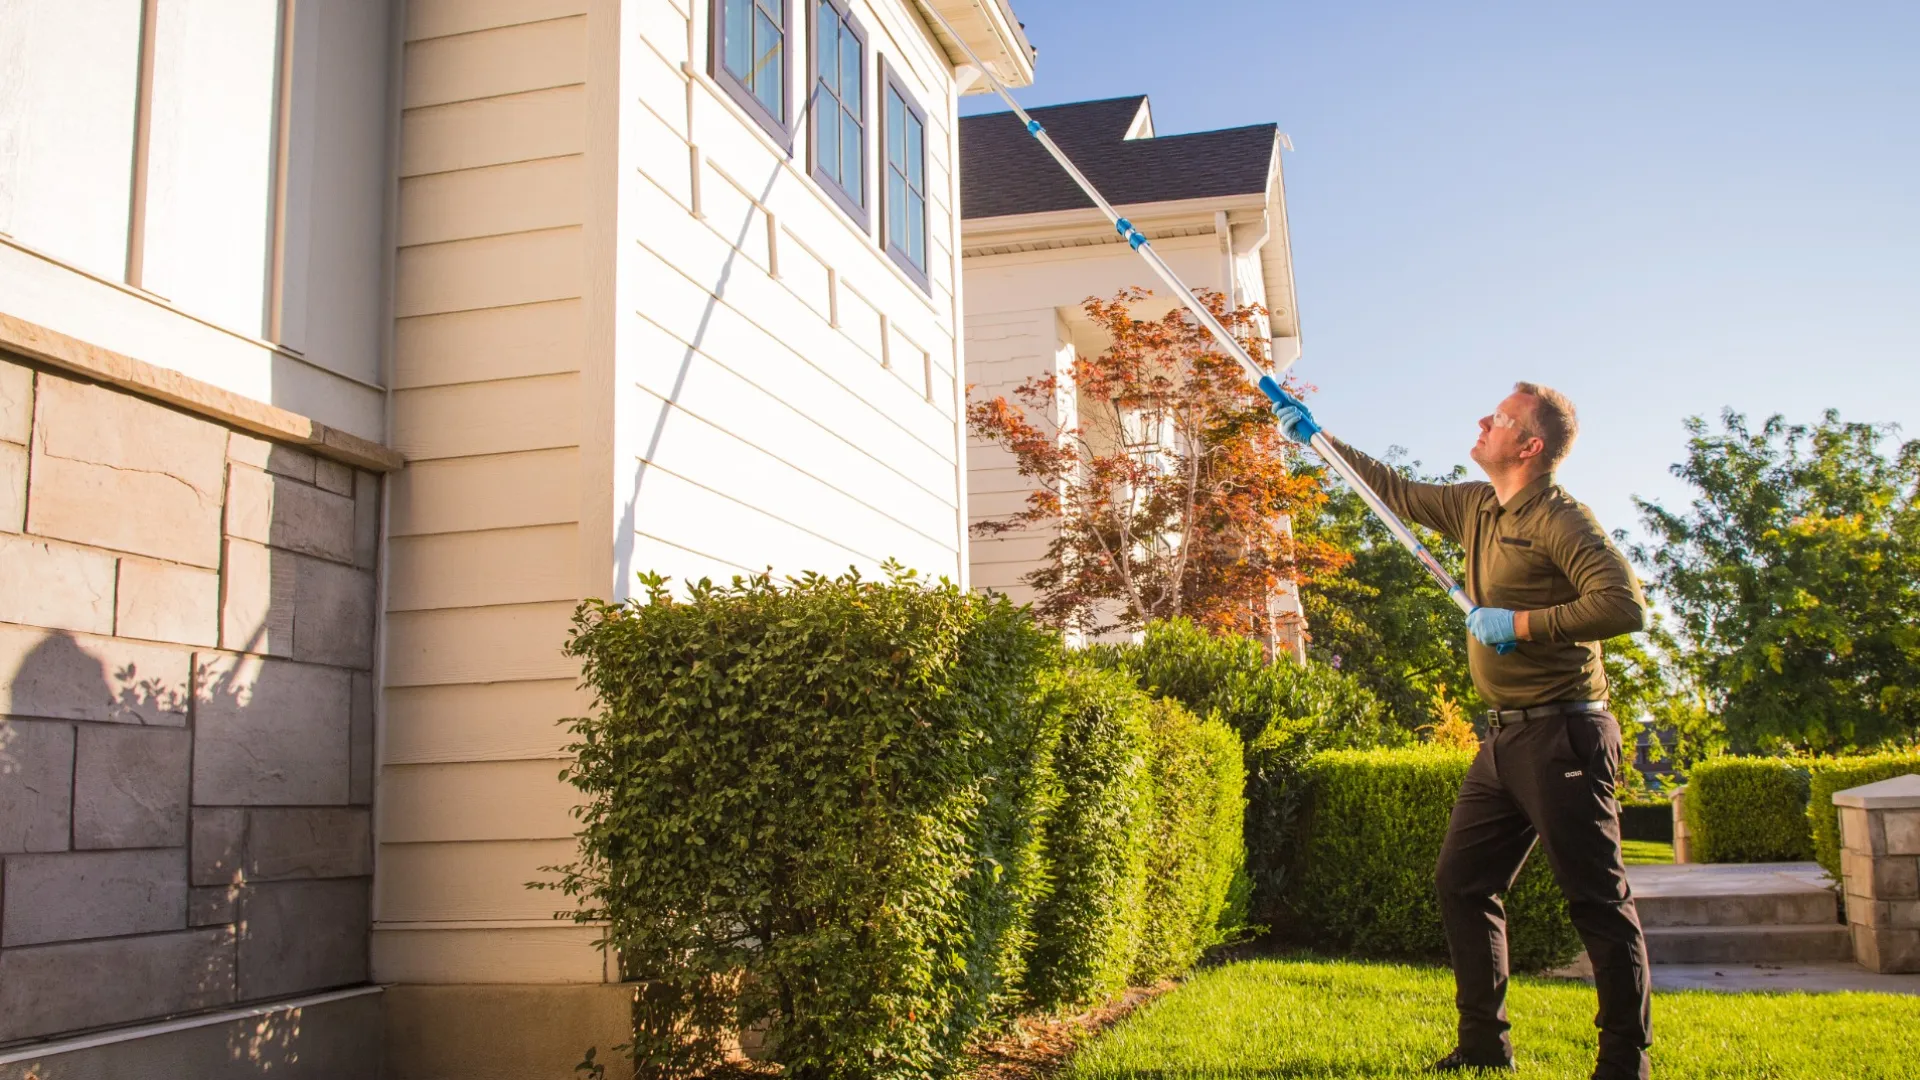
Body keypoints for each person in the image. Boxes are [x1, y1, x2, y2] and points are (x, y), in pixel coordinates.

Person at [1273, 382, 1651, 1080]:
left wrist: (1522, 624)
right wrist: (1318, 438)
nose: (1484, 420)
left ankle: (1624, 1066)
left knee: (1597, 901)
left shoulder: (1560, 519)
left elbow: (1622, 605)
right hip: (1504, 739)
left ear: (1530, 447)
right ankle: (1484, 1047)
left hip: (1566, 733)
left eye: (1500, 419)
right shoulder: (1476, 505)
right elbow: (1390, 490)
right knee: (1463, 881)